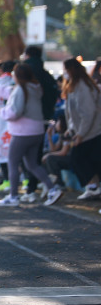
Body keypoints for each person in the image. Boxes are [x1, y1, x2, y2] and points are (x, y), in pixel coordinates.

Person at [0, 63, 63, 206]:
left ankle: (13, 196)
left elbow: (15, 111)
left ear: (17, 76)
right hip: (37, 131)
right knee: (32, 164)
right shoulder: (34, 88)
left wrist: (1, 112)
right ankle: (52, 189)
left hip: (22, 133)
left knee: (13, 163)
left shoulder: (20, 89)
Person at [21, 45, 59, 202]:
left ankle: (31, 188)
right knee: (34, 156)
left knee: (24, 158)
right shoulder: (46, 75)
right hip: (42, 120)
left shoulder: (25, 74)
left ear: (27, 55)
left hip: (25, 123)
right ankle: (40, 183)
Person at [62, 58, 101, 205]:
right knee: (89, 160)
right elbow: (74, 113)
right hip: (86, 131)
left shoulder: (82, 87)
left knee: (78, 159)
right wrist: (71, 128)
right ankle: (93, 186)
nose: (64, 73)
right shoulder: (76, 86)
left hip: (91, 131)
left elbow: (87, 113)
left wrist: (80, 134)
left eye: (66, 70)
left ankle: (93, 186)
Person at [41, 114, 72, 189]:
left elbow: (64, 152)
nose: (56, 124)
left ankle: (59, 183)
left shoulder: (67, 134)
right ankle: (49, 181)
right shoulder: (61, 135)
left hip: (72, 159)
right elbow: (53, 149)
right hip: (66, 158)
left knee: (50, 158)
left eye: (58, 122)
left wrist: (49, 155)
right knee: (45, 155)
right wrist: (49, 135)